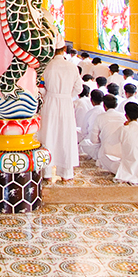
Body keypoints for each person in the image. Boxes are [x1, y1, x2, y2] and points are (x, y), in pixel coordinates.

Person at [38, 34, 82, 180]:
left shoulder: (46, 67)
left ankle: (48, 173)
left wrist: (49, 94)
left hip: (50, 102)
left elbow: (41, 88)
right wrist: (67, 95)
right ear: (64, 49)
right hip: (66, 103)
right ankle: (66, 173)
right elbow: (79, 88)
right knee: (66, 135)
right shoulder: (72, 67)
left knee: (48, 134)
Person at [78, 94, 124, 174]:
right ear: (116, 105)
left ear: (104, 105)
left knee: (84, 143)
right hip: (122, 151)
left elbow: (93, 140)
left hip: (106, 152)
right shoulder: (123, 116)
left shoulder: (100, 117)